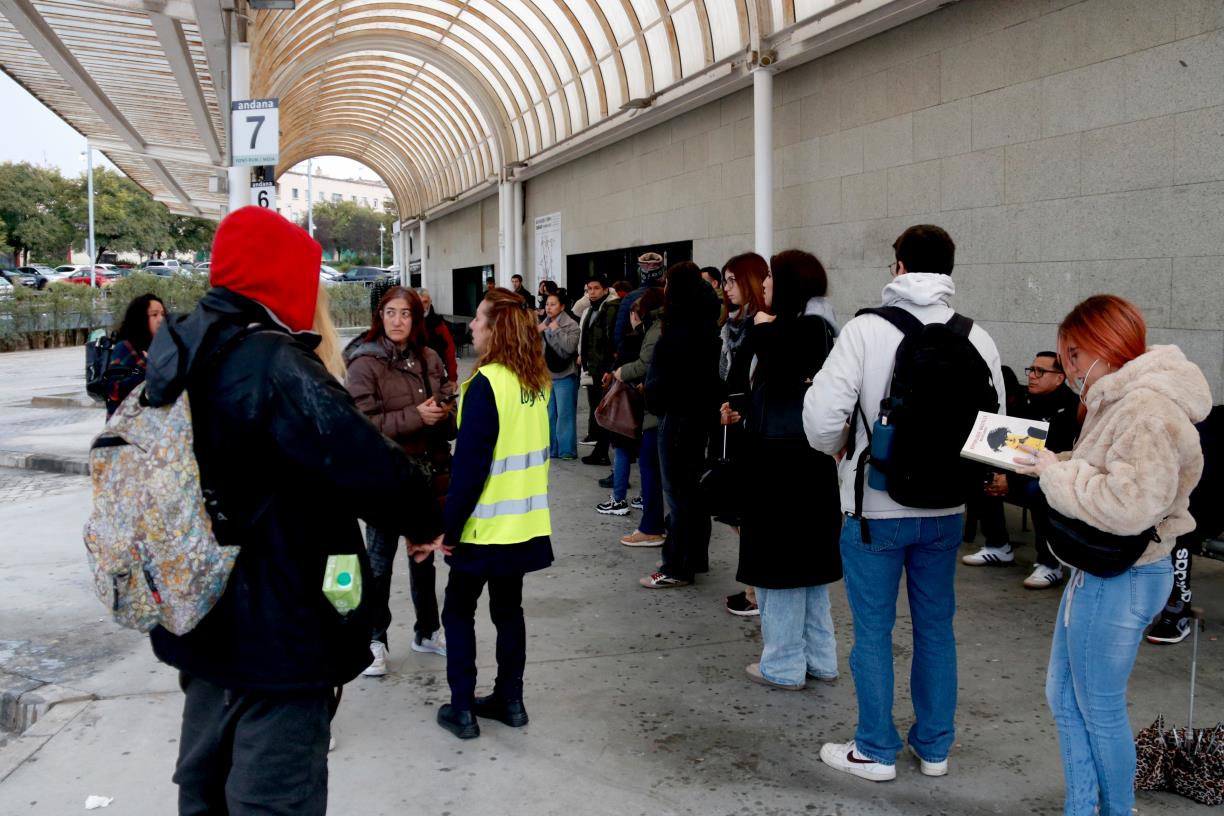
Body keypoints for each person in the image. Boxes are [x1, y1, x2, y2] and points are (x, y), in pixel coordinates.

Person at [142, 206, 442, 814]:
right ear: (282, 280)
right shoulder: (275, 363)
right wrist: (426, 520)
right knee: (276, 797)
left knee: (205, 785)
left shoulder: (181, 349)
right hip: (278, 625)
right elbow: (370, 466)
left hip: (198, 608)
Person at [802, 224, 1005, 782]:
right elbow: (996, 427)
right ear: (950, 270)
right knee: (935, 628)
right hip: (946, 509)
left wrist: (839, 450)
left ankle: (874, 749)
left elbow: (821, 420)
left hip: (875, 506)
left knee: (873, 632)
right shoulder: (977, 337)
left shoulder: (865, 330)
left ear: (898, 267)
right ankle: (934, 748)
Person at [1015, 294, 1211, 815]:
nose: (1070, 369)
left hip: (1122, 574)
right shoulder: (1125, 399)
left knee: (1097, 709)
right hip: (1106, 571)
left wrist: (1055, 475)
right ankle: (1084, 806)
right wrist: (1052, 462)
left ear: (1101, 347)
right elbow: (1104, 470)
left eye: (1073, 355)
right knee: (1065, 696)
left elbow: (1131, 505)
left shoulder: (1145, 408)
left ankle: (1113, 809)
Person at [433, 288, 554, 740]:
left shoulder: (487, 384)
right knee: (508, 611)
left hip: (483, 528)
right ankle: (511, 700)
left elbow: (469, 471)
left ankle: (463, 708)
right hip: (524, 524)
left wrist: (449, 529)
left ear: (494, 328)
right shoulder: (535, 383)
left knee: (457, 611)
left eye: (478, 319)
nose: (471, 326)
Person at [732, 250, 841, 689]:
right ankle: (820, 659)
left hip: (781, 465)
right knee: (808, 570)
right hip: (807, 463)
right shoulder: (818, 326)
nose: (765, 284)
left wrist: (762, 329)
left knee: (778, 569)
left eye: (772, 276)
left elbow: (779, 369)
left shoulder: (803, 329)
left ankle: (782, 664)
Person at [346, 286, 455, 675]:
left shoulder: (428, 357)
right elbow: (361, 426)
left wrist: (443, 413)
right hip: (384, 478)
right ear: (380, 316)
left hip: (424, 475)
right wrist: (415, 416)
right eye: (390, 312)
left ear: (416, 318)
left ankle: (427, 631)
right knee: (378, 563)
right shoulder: (364, 363)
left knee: (423, 558)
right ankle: (374, 640)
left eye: (405, 313)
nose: (397, 321)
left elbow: (448, 407)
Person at [962, 352, 1079, 589]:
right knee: (981, 473)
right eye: (1031, 370)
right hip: (1017, 469)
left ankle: (1050, 564)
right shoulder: (1024, 401)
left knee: (1040, 490)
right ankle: (998, 546)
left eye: (1040, 371)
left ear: (1059, 378)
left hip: (1052, 475)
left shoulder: (1071, 408)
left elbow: (1055, 457)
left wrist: (1011, 481)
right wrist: (1001, 475)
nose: (1032, 376)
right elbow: (1009, 442)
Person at [640, 262, 722, 588]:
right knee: (693, 492)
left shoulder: (678, 330)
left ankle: (677, 565)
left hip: (676, 418)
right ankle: (693, 558)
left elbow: (661, 381)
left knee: (678, 494)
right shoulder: (707, 326)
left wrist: (653, 398)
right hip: (700, 417)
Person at [717, 253, 769, 616]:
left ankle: (756, 591)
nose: (726, 288)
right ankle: (753, 587)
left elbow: (764, 383)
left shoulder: (761, 325)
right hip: (730, 426)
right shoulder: (732, 325)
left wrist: (743, 409)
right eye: (725, 281)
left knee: (748, 517)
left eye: (733, 280)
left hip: (753, 429)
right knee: (735, 515)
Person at [1148, 403, 1223, 644]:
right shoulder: (1210, 420)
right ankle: (1176, 607)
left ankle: (1175, 608)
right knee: (1178, 522)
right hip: (1202, 503)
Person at [612, 289, 666, 545]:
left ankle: (652, 528)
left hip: (658, 412)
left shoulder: (656, 330)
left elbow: (646, 364)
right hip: (660, 409)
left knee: (650, 468)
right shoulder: (658, 328)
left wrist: (622, 372)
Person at [577, 276, 620, 467]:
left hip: (605, 368)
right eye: (589, 289)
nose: (592, 292)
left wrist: (611, 368)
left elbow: (612, 340)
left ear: (605, 290)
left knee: (604, 410)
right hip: (593, 367)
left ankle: (602, 452)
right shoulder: (591, 309)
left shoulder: (610, 309)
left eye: (596, 288)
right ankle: (600, 451)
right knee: (598, 409)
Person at [103, 293, 165, 417]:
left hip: (152, 422)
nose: (161, 319)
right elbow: (114, 390)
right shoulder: (125, 348)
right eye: (154, 315)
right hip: (126, 424)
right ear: (141, 319)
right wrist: (144, 367)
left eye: (163, 314)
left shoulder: (163, 347)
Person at [539, 291, 580, 460]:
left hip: (565, 375)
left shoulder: (571, 325)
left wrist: (556, 330)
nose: (549, 308)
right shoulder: (544, 323)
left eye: (553, 304)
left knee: (565, 414)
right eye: (547, 304)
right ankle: (552, 449)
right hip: (547, 375)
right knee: (549, 414)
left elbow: (569, 348)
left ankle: (567, 450)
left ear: (562, 307)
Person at [613, 251, 664, 354]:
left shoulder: (630, 297)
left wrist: (620, 352)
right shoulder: (670, 294)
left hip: (637, 351)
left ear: (641, 273)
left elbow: (620, 331)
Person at [419, 288, 458, 383]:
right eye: (418, 302)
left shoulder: (438, 324)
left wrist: (452, 378)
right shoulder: (407, 323)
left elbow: (449, 350)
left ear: (430, 302)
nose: (422, 306)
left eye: (425, 302)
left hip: (435, 374)